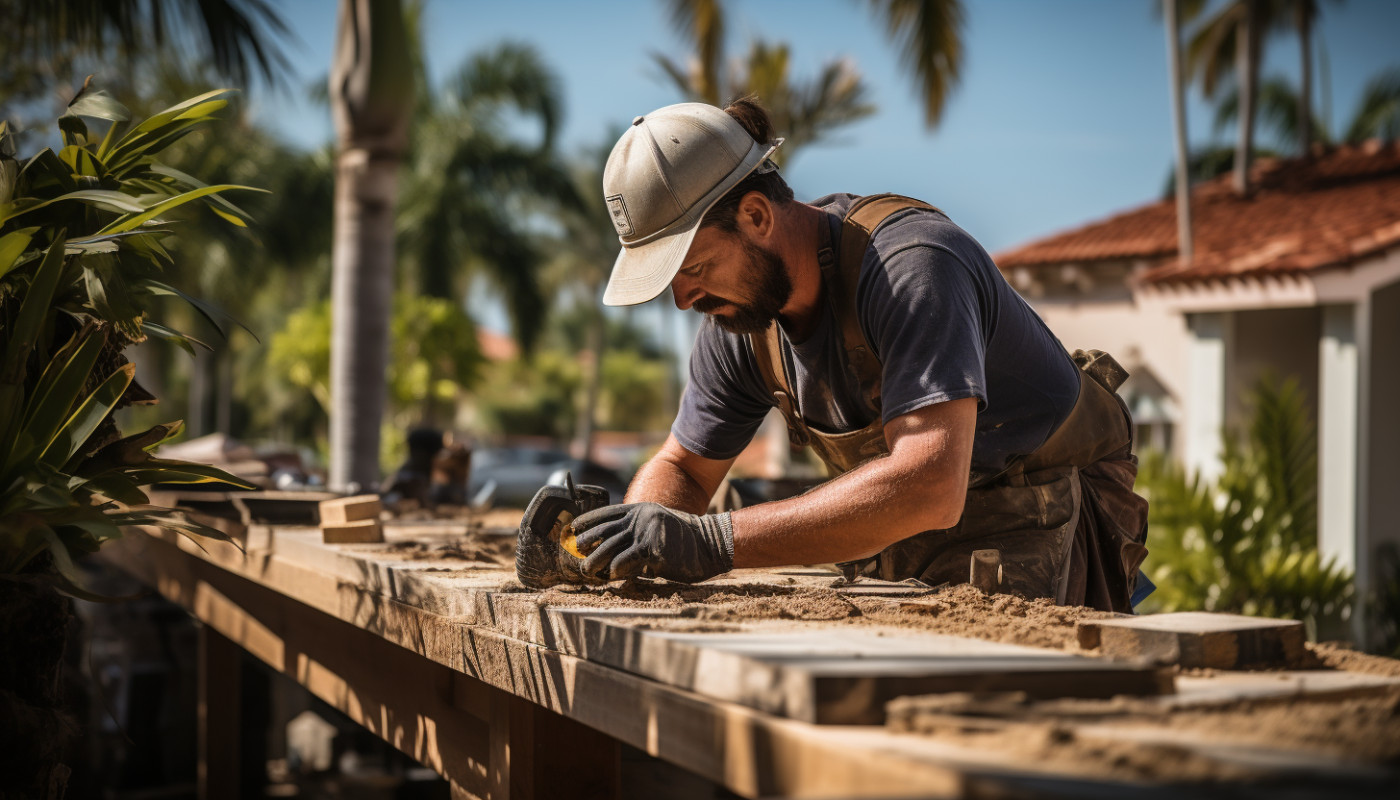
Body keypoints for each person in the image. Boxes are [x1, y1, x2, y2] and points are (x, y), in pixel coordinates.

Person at [571, 97, 1149, 611]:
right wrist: (615, 544)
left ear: (756, 216)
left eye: (694, 267)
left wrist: (714, 542)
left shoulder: (913, 268)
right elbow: (682, 470)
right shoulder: (739, 320)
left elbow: (928, 485)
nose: (683, 298)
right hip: (904, 530)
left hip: (1043, 511)